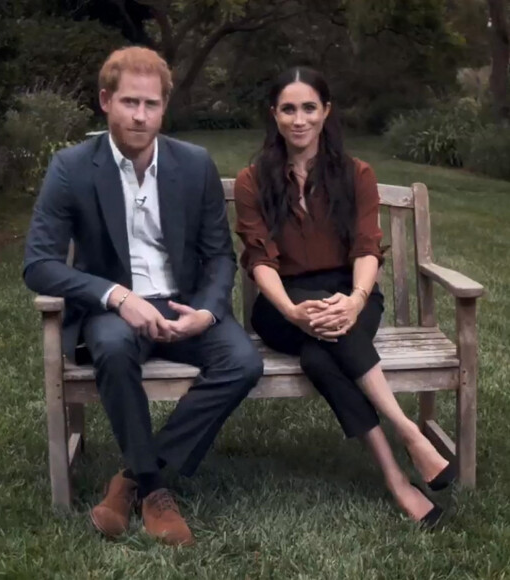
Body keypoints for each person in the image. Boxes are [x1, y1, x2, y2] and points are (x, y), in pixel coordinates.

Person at [24, 46, 263, 546]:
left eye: (151, 104)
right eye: (129, 102)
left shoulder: (193, 164)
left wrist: (206, 310)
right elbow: (39, 264)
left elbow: (219, 255)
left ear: (163, 108)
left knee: (242, 361)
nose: (140, 115)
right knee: (110, 347)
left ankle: (131, 477)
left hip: (184, 304)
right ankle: (155, 489)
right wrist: (114, 295)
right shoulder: (71, 167)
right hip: (116, 311)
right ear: (105, 100)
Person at [234, 66, 455, 528]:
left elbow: (366, 246)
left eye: (309, 108)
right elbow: (259, 260)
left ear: (326, 111)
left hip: (349, 293)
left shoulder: (355, 174)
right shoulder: (253, 180)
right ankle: (407, 431)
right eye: (289, 109)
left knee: (320, 356)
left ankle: (396, 477)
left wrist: (356, 298)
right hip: (282, 304)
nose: (299, 119)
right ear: (274, 115)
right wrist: (294, 312)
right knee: (321, 336)